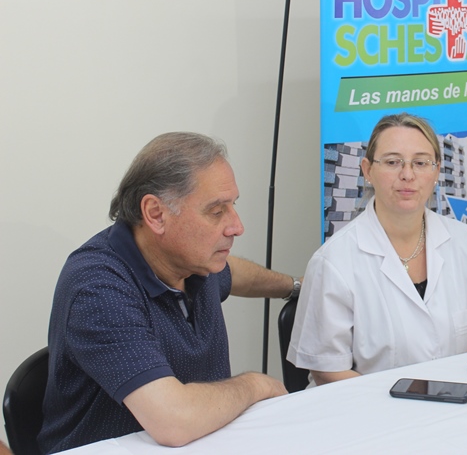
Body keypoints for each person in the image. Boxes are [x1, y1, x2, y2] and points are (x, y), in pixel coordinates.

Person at [39, 132, 301, 453]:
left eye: (233, 206)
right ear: (156, 214)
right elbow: (173, 421)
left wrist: (295, 285)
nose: (236, 226)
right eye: (216, 211)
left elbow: (235, 273)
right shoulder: (98, 287)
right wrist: (256, 384)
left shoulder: (194, 261)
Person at [288, 113, 467, 385]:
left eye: (421, 163)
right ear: (368, 170)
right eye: (393, 162)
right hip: (364, 406)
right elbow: (327, 369)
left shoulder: (463, 241)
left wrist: (455, 390)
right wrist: (411, 400)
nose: (407, 175)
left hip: (456, 398)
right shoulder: (333, 261)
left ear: (436, 171)